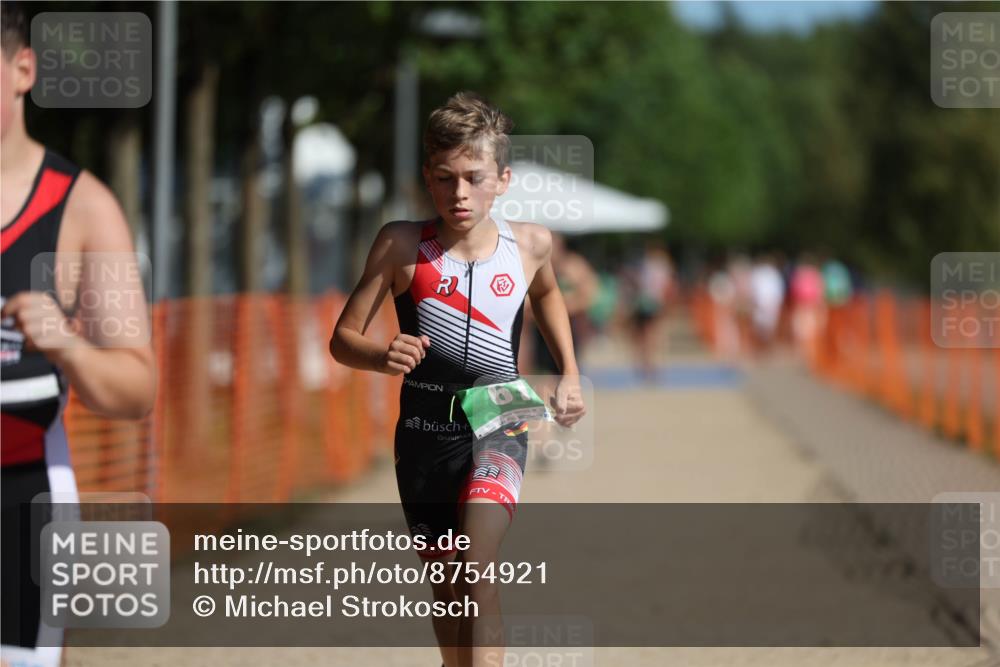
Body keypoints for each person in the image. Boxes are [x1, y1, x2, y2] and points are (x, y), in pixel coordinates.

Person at [330, 92, 585, 667]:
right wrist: (380, 355)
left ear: (503, 179)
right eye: (445, 179)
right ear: (428, 177)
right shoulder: (401, 244)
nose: (459, 193)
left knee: (475, 561)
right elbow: (342, 339)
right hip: (422, 429)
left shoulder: (531, 244)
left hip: (501, 410)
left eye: (474, 178)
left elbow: (546, 294)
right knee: (447, 586)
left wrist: (569, 371)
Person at [1, 4, 156, 666]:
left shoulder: (82, 206)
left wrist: (68, 343)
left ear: (22, 69)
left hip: (21, 491)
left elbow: (137, 386)